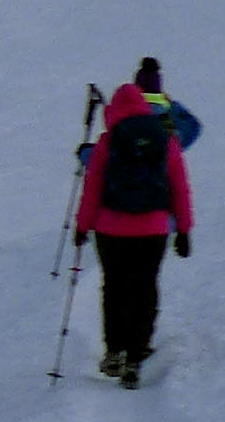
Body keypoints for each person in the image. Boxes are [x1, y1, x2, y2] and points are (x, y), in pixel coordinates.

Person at [75, 71, 194, 387]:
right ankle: (137, 353)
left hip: (111, 229)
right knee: (144, 287)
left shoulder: (107, 141)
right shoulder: (164, 138)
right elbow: (180, 187)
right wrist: (183, 230)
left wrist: (82, 226)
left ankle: (114, 351)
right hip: (153, 229)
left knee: (114, 287)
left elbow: (93, 188)